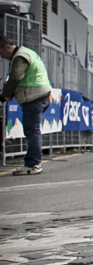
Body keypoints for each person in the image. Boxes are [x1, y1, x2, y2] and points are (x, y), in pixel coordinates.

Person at [1, 35, 53, 175]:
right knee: (34, 130)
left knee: (32, 131)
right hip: (42, 94)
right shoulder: (28, 52)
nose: (2, 57)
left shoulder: (20, 57)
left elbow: (16, 77)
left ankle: (33, 164)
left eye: (1, 53)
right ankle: (33, 162)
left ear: (7, 47)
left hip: (33, 97)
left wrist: (5, 95)